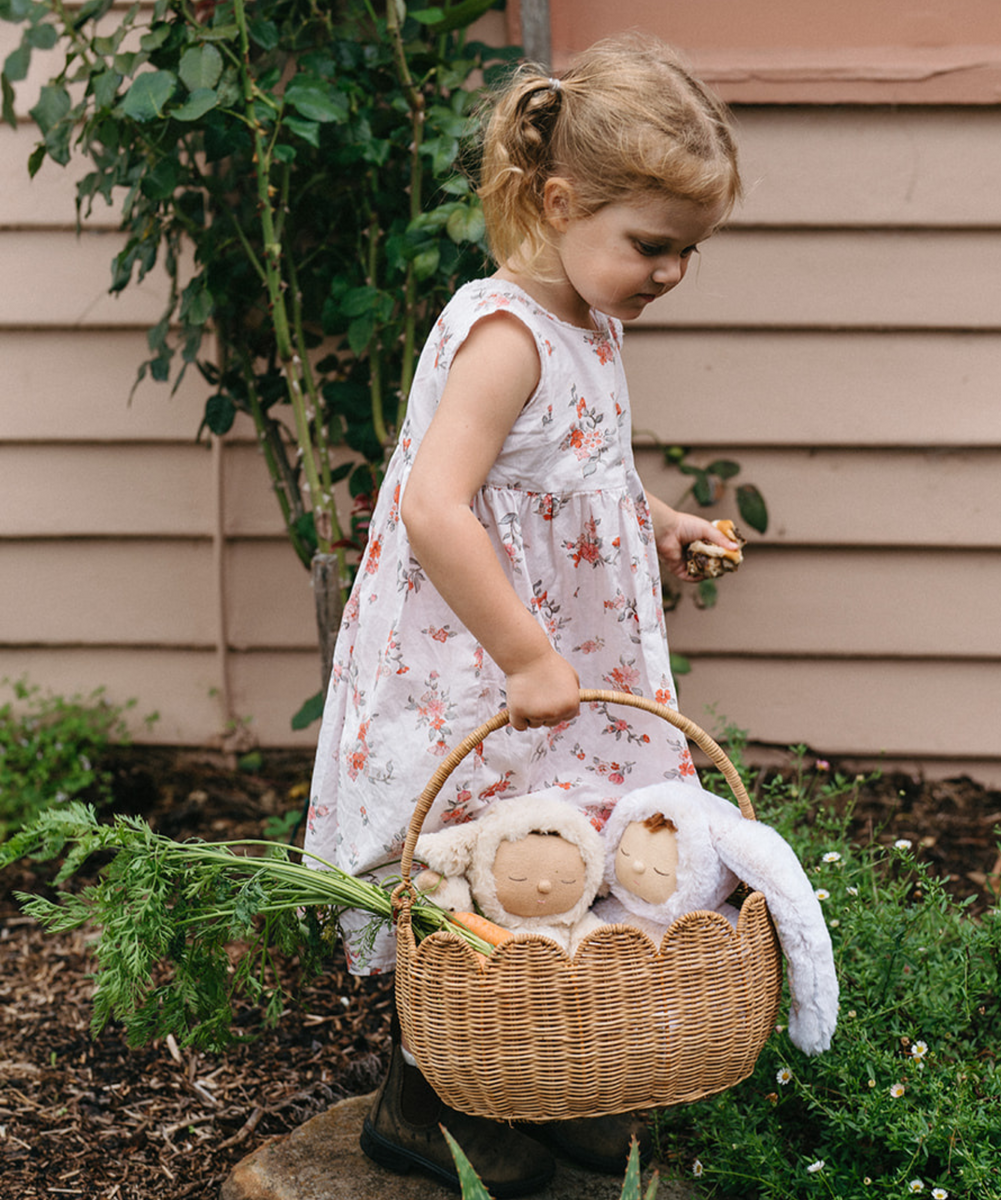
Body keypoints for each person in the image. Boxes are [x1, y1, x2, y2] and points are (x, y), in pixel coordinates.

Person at [304, 32, 743, 1198]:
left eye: (688, 251)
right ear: (556, 201)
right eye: (651, 245)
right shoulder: (504, 335)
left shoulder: (589, 327)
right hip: (484, 664)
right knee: (475, 867)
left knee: (554, 866)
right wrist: (526, 655)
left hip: (558, 657)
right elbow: (436, 508)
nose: (668, 274)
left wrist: (658, 524)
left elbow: (576, 474)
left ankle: (539, 1089)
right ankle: (423, 1099)